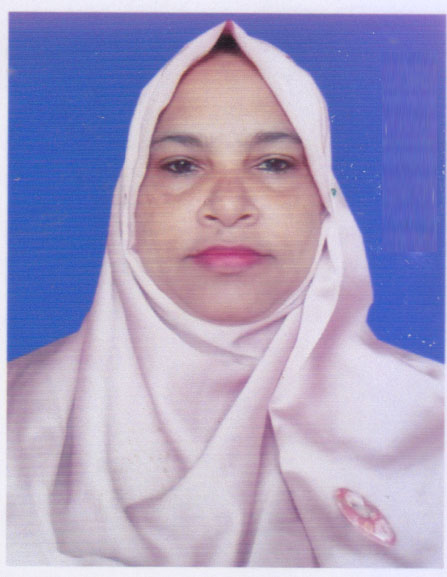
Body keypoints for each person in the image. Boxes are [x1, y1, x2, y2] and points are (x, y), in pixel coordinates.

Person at [7, 20, 443, 567]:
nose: (230, 206)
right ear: (129, 206)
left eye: (274, 164)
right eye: (181, 165)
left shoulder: (432, 425)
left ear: (326, 203)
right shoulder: (12, 416)